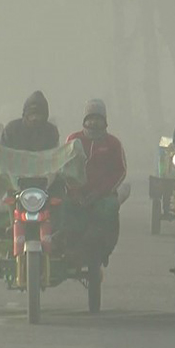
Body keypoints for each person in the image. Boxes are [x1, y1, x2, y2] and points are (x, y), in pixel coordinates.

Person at [65, 99, 127, 265]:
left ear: (104, 121)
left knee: (110, 209)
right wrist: (75, 192)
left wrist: (100, 192)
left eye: (97, 118)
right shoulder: (73, 139)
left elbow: (120, 171)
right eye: (90, 118)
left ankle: (103, 250)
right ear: (84, 120)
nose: (93, 122)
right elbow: (65, 166)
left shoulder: (113, 143)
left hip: (102, 195)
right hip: (75, 193)